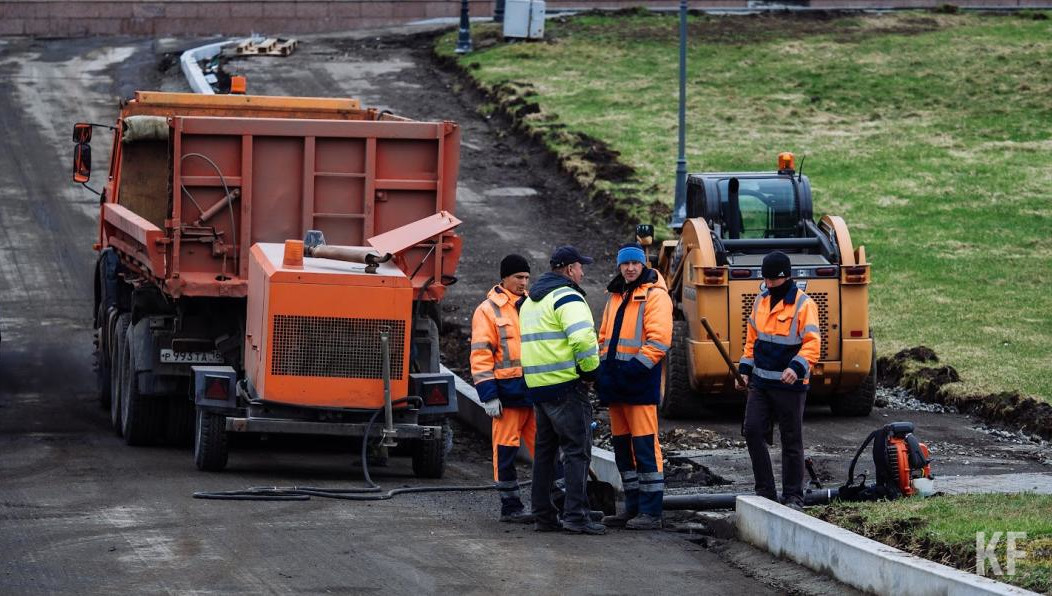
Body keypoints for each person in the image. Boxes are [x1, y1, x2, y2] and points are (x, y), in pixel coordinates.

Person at [519, 245, 604, 535]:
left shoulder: (531, 301)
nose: (582, 272)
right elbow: (582, 340)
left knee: (544, 455)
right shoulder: (567, 296)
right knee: (577, 452)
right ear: (569, 269)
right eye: (581, 267)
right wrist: (592, 373)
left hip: (538, 389)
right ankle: (576, 516)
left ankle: (543, 515)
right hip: (566, 387)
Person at [596, 243, 673, 530]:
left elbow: (658, 342)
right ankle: (632, 507)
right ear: (619, 266)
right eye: (625, 264)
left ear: (643, 265)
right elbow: (603, 338)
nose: (629, 268)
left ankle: (651, 511)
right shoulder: (616, 295)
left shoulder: (654, 296)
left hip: (639, 383)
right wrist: (603, 371)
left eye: (634, 264)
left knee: (644, 446)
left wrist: (630, 371)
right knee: (622, 447)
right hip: (616, 384)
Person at [737, 251, 821, 510]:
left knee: (791, 439)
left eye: (774, 280)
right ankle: (765, 490)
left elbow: (813, 344)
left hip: (790, 386)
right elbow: (752, 340)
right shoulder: (760, 302)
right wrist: (745, 367)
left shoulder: (804, 305)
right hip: (760, 383)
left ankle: (794, 496)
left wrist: (796, 367)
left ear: (787, 277)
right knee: (752, 431)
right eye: (767, 279)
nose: (770, 284)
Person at [470, 254, 535, 523]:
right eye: (518, 277)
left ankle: (558, 501)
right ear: (505, 278)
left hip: (534, 392)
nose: (523, 282)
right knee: (505, 450)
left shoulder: (533, 305)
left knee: (546, 449)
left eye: (526, 278)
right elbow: (481, 355)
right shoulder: (488, 310)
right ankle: (510, 506)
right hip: (507, 395)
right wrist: (489, 395)